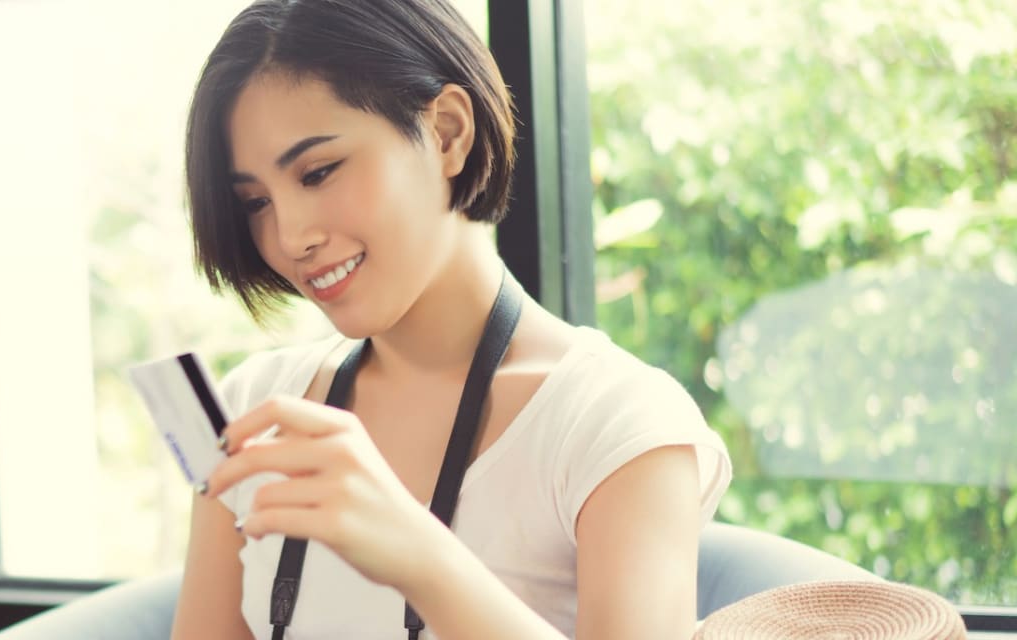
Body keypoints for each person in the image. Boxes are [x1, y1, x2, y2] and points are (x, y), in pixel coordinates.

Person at [174, 0, 733, 637]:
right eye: (255, 202)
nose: (291, 235)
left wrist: (421, 558)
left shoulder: (615, 422)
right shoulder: (255, 408)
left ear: (446, 133)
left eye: (319, 171)